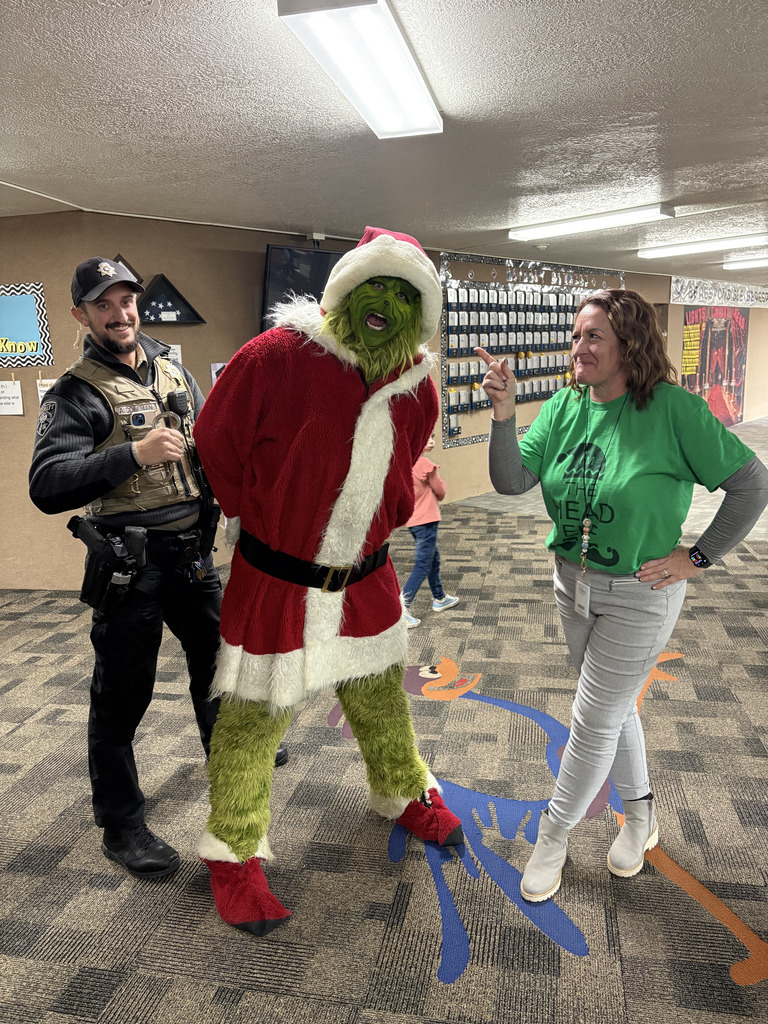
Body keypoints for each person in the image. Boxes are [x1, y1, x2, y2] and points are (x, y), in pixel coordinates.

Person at [193, 227, 463, 936]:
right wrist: (254, 513)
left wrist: (390, 516)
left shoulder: (415, 380)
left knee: (380, 699)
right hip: (276, 579)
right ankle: (235, 853)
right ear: (344, 290)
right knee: (253, 719)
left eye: (404, 293)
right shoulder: (277, 355)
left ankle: (404, 791)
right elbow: (216, 438)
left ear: (421, 311)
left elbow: (409, 456)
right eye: (373, 285)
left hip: (367, 576)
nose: (385, 303)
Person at [477, 288, 768, 903]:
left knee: (591, 718)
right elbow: (510, 482)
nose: (578, 347)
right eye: (576, 334)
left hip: (643, 590)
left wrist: (697, 557)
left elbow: (751, 484)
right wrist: (504, 416)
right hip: (572, 584)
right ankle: (642, 819)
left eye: (593, 337)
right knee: (613, 711)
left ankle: (552, 836)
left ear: (629, 346)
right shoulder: (563, 408)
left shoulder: (673, 412)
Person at [29, 257, 287, 881]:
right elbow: (47, 484)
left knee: (220, 675)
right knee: (121, 698)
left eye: (127, 301)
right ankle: (121, 825)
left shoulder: (173, 369)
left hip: (193, 556)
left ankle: (230, 774)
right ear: (81, 315)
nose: (121, 314)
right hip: (131, 565)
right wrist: (130, 454)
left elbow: (210, 446)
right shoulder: (73, 392)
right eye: (104, 305)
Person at [401, 433, 459, 628]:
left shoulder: (404, 464)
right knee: (423, 564)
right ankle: (402, 609)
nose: (432, 440)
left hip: (413, 520)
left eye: (433, 436)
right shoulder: (425, 464)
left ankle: (440, 598)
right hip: (427, 520)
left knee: (432, 559)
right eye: (426, 436)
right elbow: (440, 491)